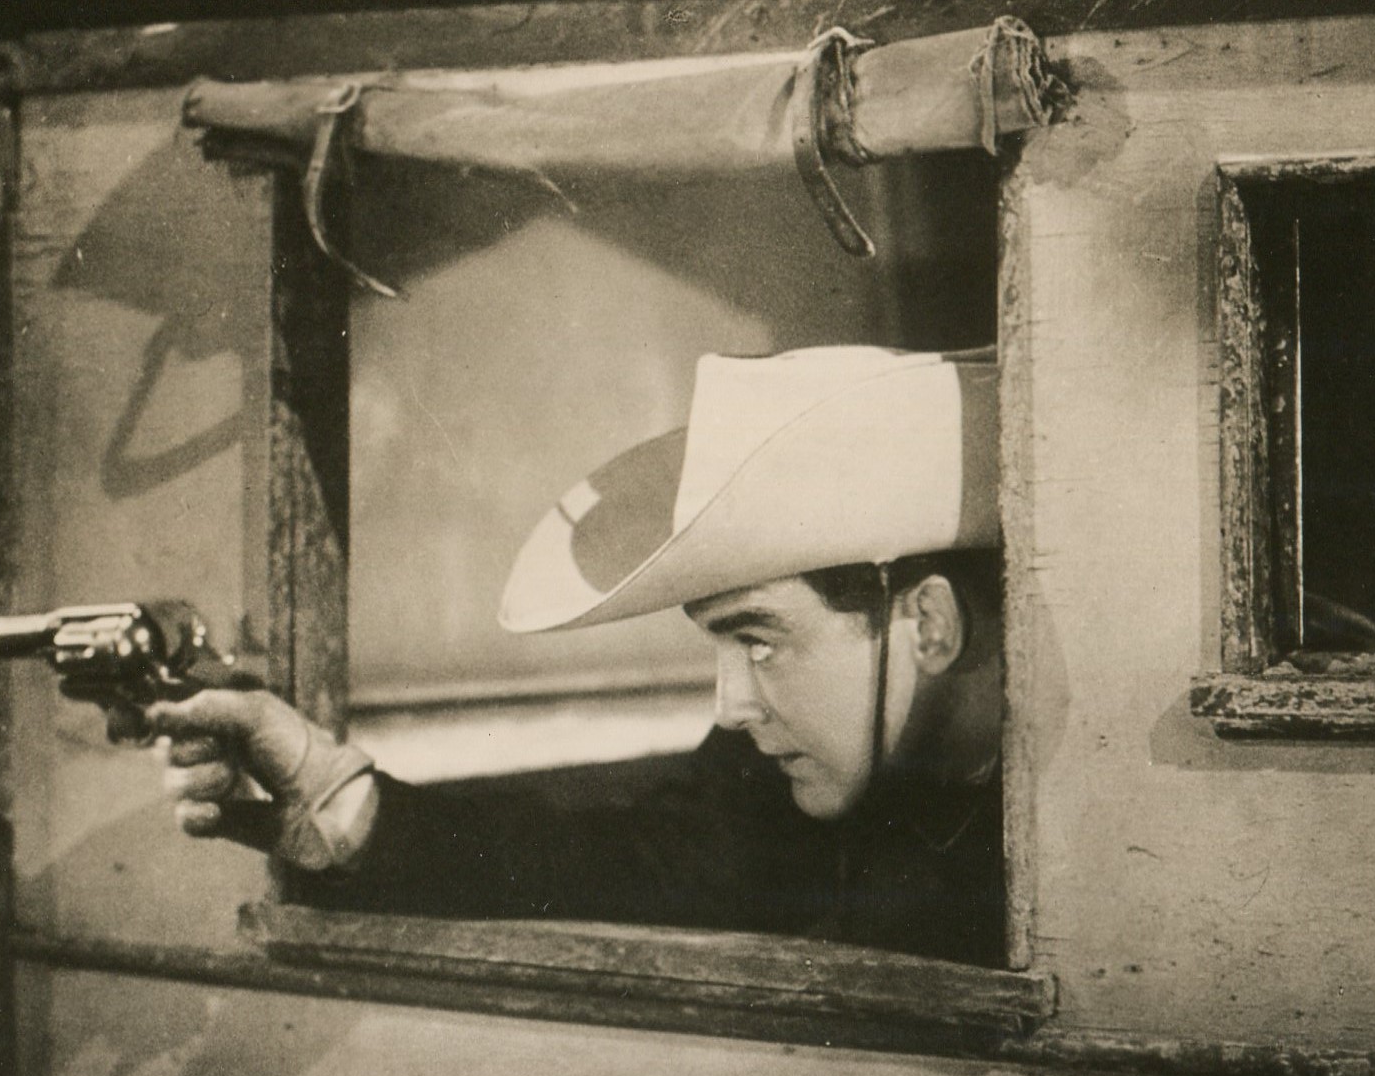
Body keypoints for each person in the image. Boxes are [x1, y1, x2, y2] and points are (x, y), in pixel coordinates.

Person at [135, 345, 1010, 968]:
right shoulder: (771, 775)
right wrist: (337, 794)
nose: (731, 706)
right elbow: (619, 865)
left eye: (759, 641)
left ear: (929, 624)